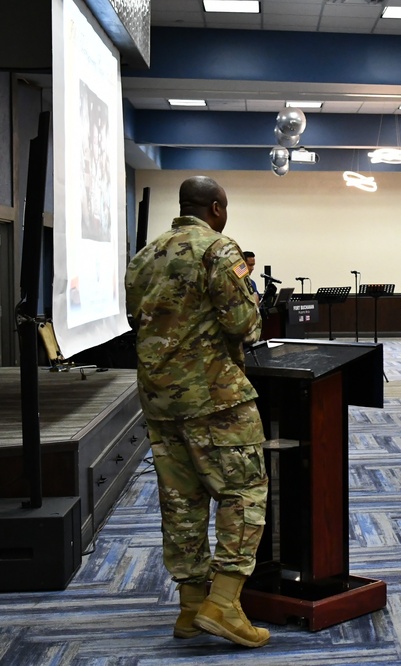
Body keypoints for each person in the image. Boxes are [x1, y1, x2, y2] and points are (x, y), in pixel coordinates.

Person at [124, 176, 270, 648]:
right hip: (216, 399)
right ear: (216, 208)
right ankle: (224, 603)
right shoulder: (218, 250)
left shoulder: (145, 256)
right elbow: (243, 324)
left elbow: (135, 319)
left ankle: (190, 607)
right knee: (244, 492)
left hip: (160, 401)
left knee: (181, 502)